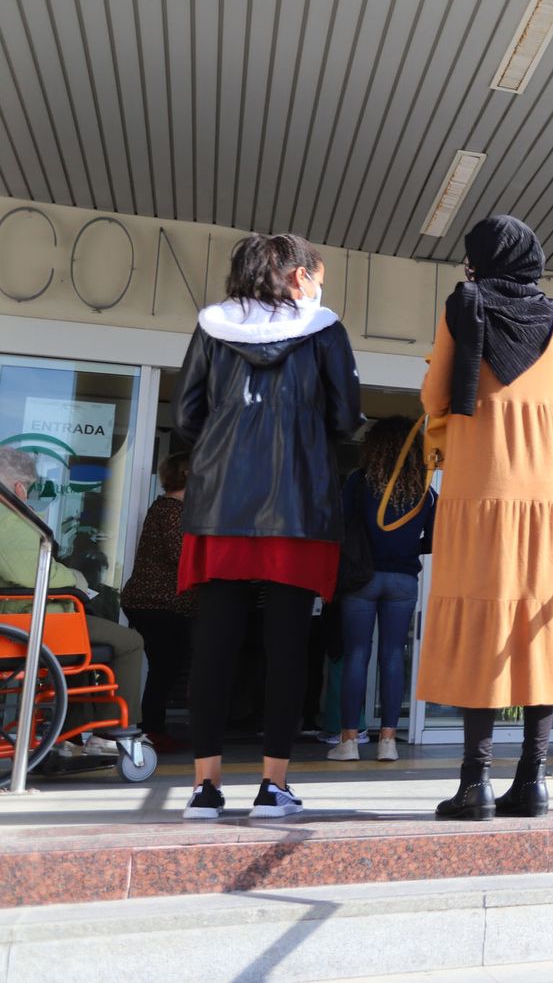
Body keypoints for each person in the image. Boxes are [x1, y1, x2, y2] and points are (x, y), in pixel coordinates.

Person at [174, 233, 362, 819]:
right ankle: (272, 787)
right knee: (288, 647)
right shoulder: (325, 329)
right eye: (319, 274)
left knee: (214, 646)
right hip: (298, 505)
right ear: (298, 276)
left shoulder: (211, 326)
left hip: (219, 503)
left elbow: (185, 417)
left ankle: (205, 788)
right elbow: (346, 416)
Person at [419, 214, 553, 822]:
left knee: (479, 625)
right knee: (537, 626)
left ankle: (474, 784)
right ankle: (532, 782)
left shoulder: (465, 305)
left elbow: (438, 395)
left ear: (479, 260)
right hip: (547, 495)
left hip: (480, 488)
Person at [0, 447, 147, 750]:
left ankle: (71, 732)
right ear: (18, 488)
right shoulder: (10, 521)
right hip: (32, 620)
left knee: (83, 648)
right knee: (129, 641)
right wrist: (76, 579)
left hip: (19, 618)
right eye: (27, 488)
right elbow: (35, 574)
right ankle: (112, 731)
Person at [328, 417, 436, 763]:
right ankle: (388, 740)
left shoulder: (359, 483)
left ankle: (349, 741)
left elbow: (340, 526)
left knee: (357, 655)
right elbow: (436, 539)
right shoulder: (425, 489)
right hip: (403, 580)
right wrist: (405, 550)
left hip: (363, 578)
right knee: (393, 655)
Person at [122, 452, 195, 753]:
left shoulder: (167, 509)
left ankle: (151, 726)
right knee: (165, 667)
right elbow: (183, 557)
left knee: (164, 666)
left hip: (151, 601)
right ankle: (150, 729)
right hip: (158, 602)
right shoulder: (171, 511)